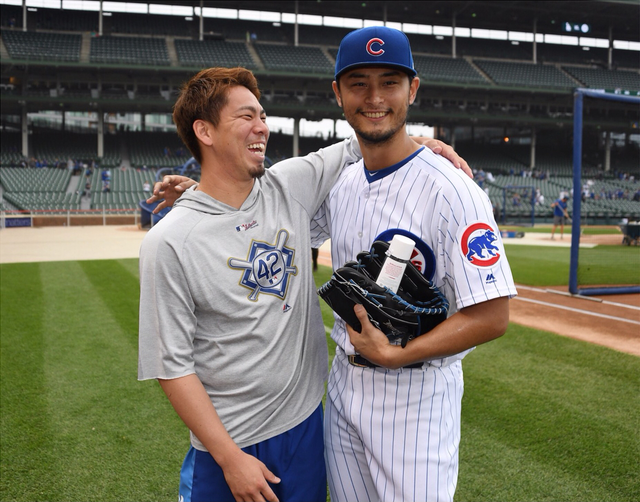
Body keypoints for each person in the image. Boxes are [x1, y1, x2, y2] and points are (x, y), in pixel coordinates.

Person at [138, 66, 469, 502]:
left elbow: (373, 138)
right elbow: (171, 366)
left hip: (306, 431)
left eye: (262, 115)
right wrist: (229, 457)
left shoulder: (289, 184)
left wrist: (425, 144)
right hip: (230, 445)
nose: (262, 128)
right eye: (245, 117)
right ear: (205, 130)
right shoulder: (170, 241)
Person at [309, 26, 517, 502]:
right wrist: (202, 193)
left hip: (415, 394)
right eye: (359, 83)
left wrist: (398, 355)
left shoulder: (453, 191)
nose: (375, 97)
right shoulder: (340, 185)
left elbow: (493, 314)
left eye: (390, 82)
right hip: (343, 384)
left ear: (413, 89)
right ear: (338, 93)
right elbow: (269, 217)